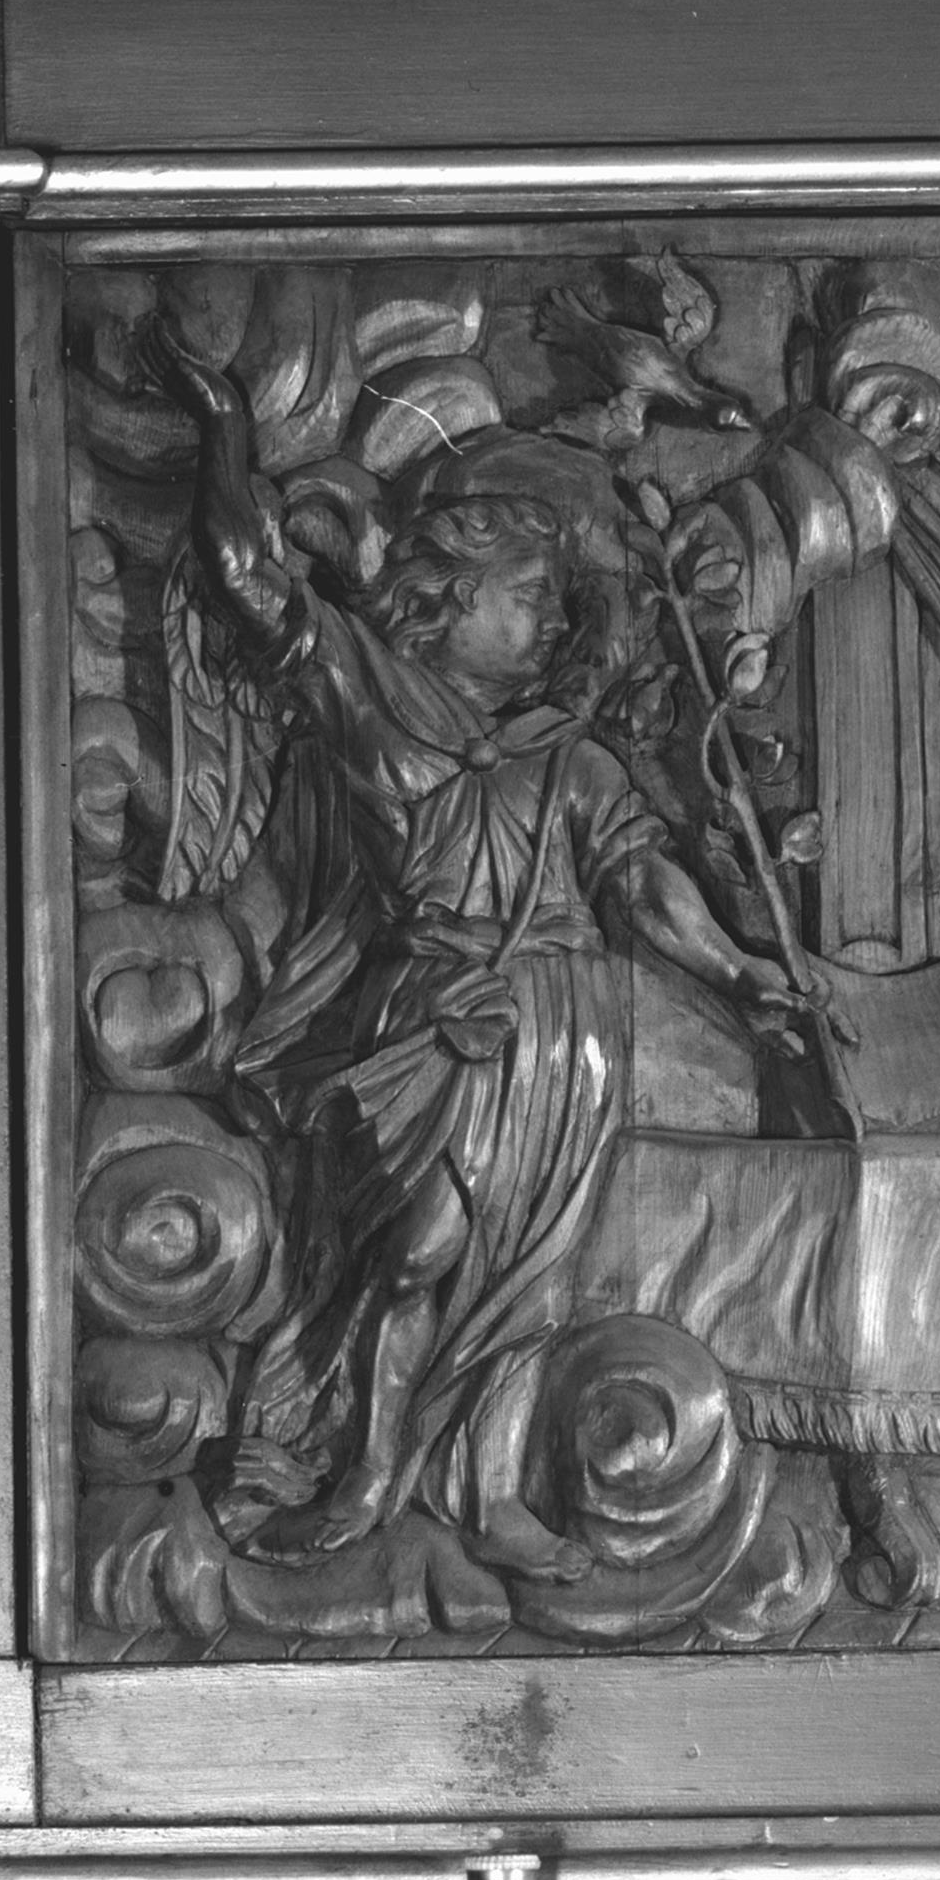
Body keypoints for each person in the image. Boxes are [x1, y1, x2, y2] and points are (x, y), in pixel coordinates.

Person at [150, 325, 812, 1583]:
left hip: (562, 1041)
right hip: (432, 1011)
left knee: (529, 1275)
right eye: (529, 597)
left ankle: (476, 1483)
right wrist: (222, 424)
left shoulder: (572, 759)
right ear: (452, 593)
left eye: (557, 606)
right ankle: (360, 1465)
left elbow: (642, 888)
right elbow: (246, 577)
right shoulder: (370, 695)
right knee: (416, 1249)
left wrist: (740, 972)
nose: (550, 624)